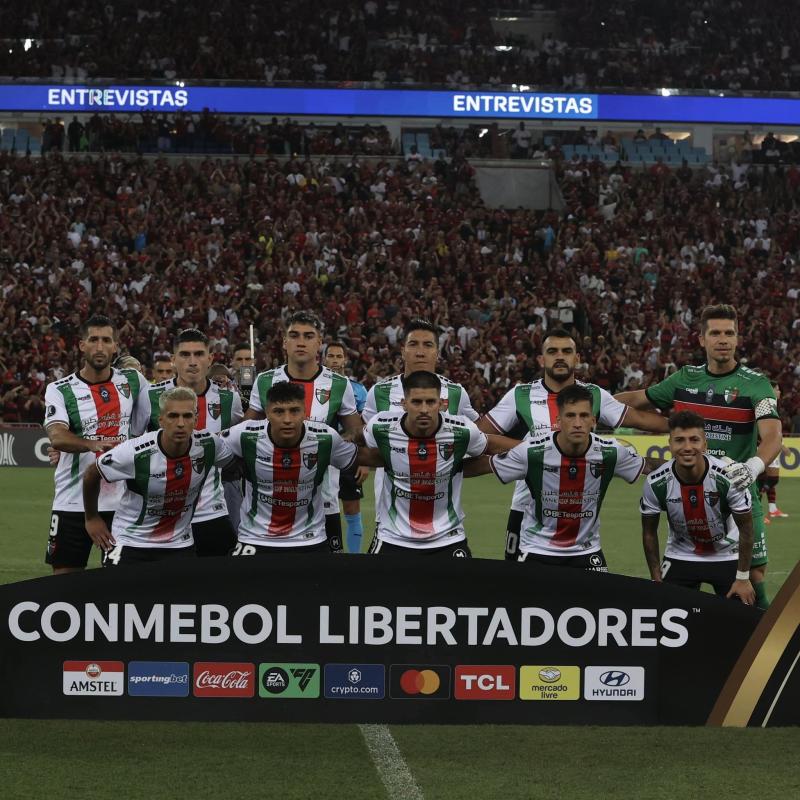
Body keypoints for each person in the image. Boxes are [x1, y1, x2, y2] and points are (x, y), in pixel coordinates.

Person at [616, 304, 782, 609]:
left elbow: (773, 436)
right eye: (715, 333)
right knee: (681, 585)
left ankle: (766, 649)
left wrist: (752, 467)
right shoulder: (684, 380)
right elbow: (639, 400)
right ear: (701, 339)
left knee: (753, 579)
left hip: (737, 495)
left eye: (729, 333)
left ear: (737, 338)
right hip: (689, 497)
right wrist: (594, 406)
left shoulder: (755, 385)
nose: (723, 339)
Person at [478, 328, 669, 561]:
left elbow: (640, 419)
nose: (560, 356)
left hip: (579, 514)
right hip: (526, 507)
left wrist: (687, 426)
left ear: (577, 359)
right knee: (520, 590)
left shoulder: (594, 396)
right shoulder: (520, 395)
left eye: (567, 351)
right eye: (552, 351)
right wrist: (529, 450)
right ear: (541, 359)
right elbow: (479, 437)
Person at [468, 385, 658, 571]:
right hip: (537, 550)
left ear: (593, 421)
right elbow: (483, 465)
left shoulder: (611, 452)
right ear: (558, 420)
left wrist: (682, 461)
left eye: (584, 416)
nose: (577, 423)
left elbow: (648, 465)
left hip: (587, 551)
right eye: (570, 416)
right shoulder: (532, 452)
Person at [244, 311, 362, 552]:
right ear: (284, 342)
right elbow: (245, 430)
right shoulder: (265, 381)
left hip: (322, 497)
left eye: (308, 336)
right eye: (294, 335)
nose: (301, 341)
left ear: (319, 343)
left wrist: (338, 444)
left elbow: (355, 430)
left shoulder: (339, 384)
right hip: (269, 498)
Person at [43, 314, 149, 574]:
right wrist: (91, 444)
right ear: (82, 345)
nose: (100, 347)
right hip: (71, 501)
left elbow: (154, 422)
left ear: (115, 346)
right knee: (64, 582)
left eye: (106, 340)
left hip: (121, 503)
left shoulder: (133, 382)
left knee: (119, 587)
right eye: (93, 340)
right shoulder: (60, 388)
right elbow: (57, 436)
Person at [365, 371, 513, 556]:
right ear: (404, 404)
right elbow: (361, 446)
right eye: (417, 402)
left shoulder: (463, 430)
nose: (424, 409)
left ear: (442, 404)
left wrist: (537, 449)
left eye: (430, 402)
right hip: (393, 538)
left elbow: (490, 444)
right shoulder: (380, 427)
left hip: (448, 538)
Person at [83, 387, 232, 566]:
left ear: (196, 419)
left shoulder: (209, 445)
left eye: (187, 416)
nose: (180, 423)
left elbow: (235, 464)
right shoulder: (134, 452)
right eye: (173, 416)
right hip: (131, 542)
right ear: (161, 420)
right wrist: (91, 517)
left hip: (179, 544)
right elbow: (92, 473)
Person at [224, 382, 370, 554]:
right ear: (267, 413)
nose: (287, 419)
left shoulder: (326, 438)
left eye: (294, 411)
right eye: (279, 411)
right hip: (254, 539)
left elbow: (367, 457)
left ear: (304, 412)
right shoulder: (243, 435)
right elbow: (205, 449)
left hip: (310, 540)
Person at [141, 328, 242, 556]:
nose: (193, 361)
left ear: (210, 358)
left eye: (199, 354)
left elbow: (240, 440)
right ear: (174, 359)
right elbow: (132, 441)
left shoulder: (229, 400)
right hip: (163, 513)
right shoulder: (150, 397)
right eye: (185, 355)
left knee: (217, 585)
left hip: (211, 512)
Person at [640, 410, 756, 605]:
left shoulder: (729, 478)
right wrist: (655, 577)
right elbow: (649, 533)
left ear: (705, 445)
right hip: (680, 554)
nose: (687, 447)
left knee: (745, 615)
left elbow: (747, 530)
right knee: (662, 610)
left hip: (726, 554)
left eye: (694, 440)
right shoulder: (655, 483)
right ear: (670, 444)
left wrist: (743, 578)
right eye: (679, 440)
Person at [323, 341, 369, 553]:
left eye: (338, 356)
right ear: (324, 359)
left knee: (351, 508)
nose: (334, 360)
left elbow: (364, 427)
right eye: (330, 356)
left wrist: (364, 461)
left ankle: (354, 559)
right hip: (326, 457)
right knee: (324, 508)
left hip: (350, 456)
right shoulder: (319, 387)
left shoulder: (358, 390)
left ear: (345, 360)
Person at [758, 380, 789, 523]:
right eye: (777, 389)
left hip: (770, 444)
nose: (779, 391)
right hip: (766, 446)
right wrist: (781, 446)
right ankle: (757, 510)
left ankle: (772, 509)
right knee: (771, 479)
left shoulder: (774, 404)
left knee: (767, 480)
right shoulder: (767, 404)